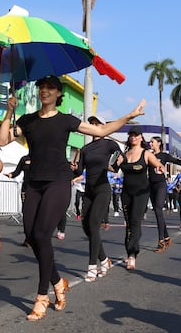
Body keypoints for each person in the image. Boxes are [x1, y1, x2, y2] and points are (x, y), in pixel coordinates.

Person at [0, 75, 145, 321]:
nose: (44, 91)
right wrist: (8, 111)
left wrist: (129, 116)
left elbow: (101, 130)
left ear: (58, 94)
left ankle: (42, 296)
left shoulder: (66, 120)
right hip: (33, 182)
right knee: (32, 237)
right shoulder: (28, 120)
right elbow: (2, 140)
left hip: (58, 182)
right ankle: (58, 281)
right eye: (41, 87)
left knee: (43, 234)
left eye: (50, 88)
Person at [112, 127, 166, 270]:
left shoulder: (146, 154)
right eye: (131, 135)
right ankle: (131, 250)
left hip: (141, 193)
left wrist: (160, 168)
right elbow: (113, 169)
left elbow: (159, 165)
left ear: (141, 137)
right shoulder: (123, 155)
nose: (133, 137)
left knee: (135, 221)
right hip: (126, 193)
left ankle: (132, 255)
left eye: (136, 135)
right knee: (130, 224)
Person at [75, 115, 120, 282]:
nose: (93, 126)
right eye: (91, 123)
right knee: (87, 227)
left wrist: (114, 165)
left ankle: (92, 267)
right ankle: (104, 259)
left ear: (103, 126)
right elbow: (78, 171)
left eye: (97, 123)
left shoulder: (110, 144)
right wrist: (72, 168)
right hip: (89, 191)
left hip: (103, 189)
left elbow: (118, 163)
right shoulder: (85, 149)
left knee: (94, 224)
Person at [148, 136, 181, 253]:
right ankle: (166, 237)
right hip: (151, 186)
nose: (150, 144)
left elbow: (180, 162)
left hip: (161, 185)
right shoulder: (148, 155)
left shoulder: (164, 156)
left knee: (158, 209)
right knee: (157, 212)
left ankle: (161, 241)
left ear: (159, 143)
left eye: (152, 142)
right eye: (150, 142)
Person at [5, 153, 30, 246]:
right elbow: (17, 171)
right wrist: (11, 174)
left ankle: (37, 237)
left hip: (38, 189)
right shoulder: (24, 159)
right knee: (27, 213)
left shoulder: (42, 157)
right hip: (26, 189)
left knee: (38, 214)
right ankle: (28, 238)